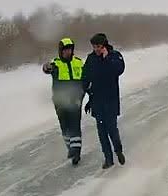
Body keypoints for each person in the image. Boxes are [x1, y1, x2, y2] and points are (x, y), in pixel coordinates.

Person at [82, 32, 126, 168]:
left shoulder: (114, 56)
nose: (96, 49)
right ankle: (108, 158)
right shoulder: (91, 59)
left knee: (111, 128)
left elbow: (119, 69)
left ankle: (118, 151)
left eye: (99, 46)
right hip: (97, 100)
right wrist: (87, 96)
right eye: (94, 47)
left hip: (111, 99)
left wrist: (107, 58)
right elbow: (85, 78)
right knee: (101, 131)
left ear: (104, 45)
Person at [42, 37, 86, 165]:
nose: (68, 52)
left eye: (70, 49)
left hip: (75, 99)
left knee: (75, 125)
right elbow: (46, 69)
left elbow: (85, 78)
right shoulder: (56, 64)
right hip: (60, 101)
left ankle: (76, 152)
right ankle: (70, 148)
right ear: (60, 51)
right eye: (65, 50)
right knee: (65, 126)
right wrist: (46, 67)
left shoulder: (78, 62)